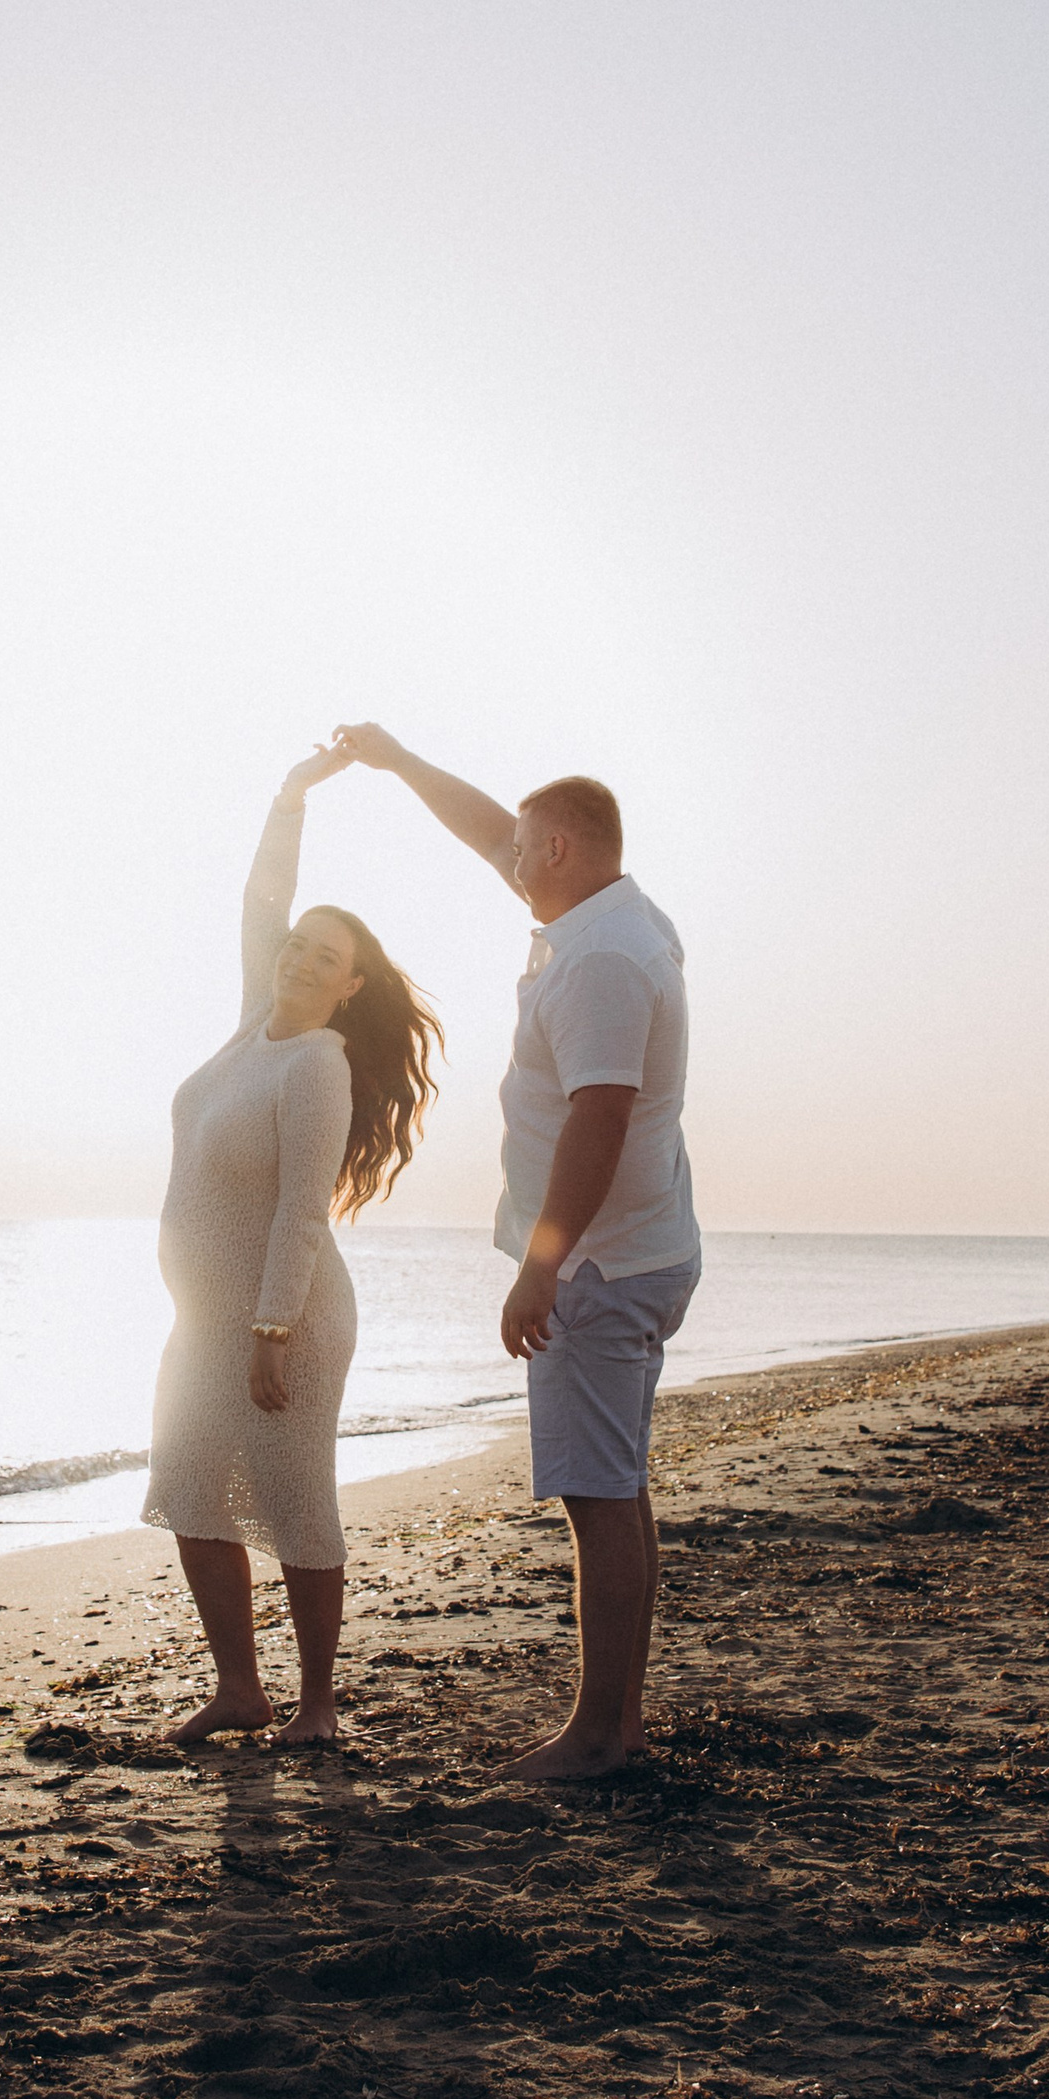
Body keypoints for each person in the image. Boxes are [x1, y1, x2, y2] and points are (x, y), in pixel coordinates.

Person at [333, 726, 698, 1780]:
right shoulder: (611, 911)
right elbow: (490, 828)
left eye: (524, 849)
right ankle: (619, 1723)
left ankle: (596, 1734)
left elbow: (601, 1116)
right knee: (620, 1487)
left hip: (599, 1265)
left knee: (598, 1499)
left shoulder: (599, 959)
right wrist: (400, 762)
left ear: (561, 852)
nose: (507, 860)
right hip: (643, 1247)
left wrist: (541, 1263)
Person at [144, 744, 443, 1746]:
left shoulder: (317, 1064)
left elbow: (302, 1209)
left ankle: (316, 1705)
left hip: (288, 1315)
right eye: (297, 944)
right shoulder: (246, 1032)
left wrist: (271, 1327)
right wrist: (291, 795)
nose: (302, 958)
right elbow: (259, 898)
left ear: (350, 986)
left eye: (326, 956)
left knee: (294, 1499)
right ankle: (240, 1688)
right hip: (204, 1318)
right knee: (189, 1489)